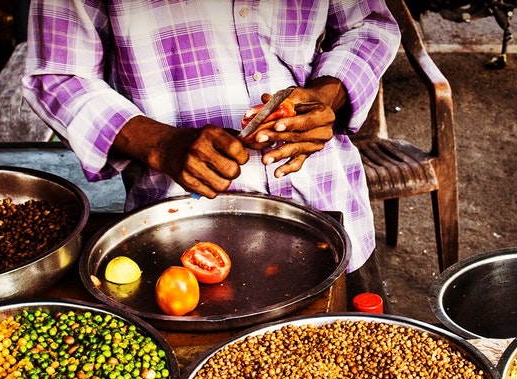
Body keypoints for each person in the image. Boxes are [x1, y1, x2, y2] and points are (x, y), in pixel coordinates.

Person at [21, 1, 401, 274]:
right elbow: (58, 75)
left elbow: (368, 25)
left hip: (328, 203)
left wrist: (326, 95)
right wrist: (162, 144)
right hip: (180, 235)